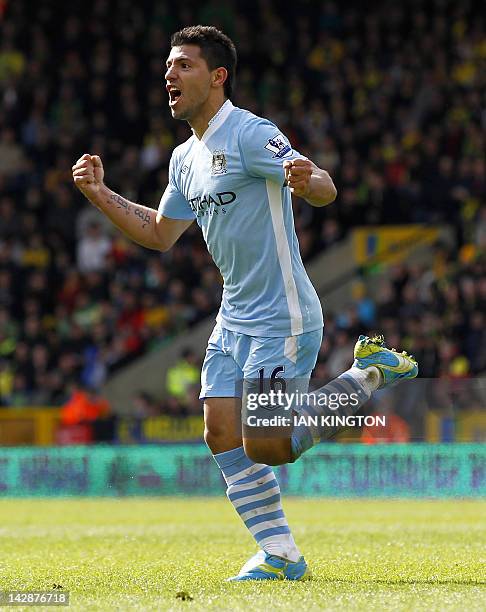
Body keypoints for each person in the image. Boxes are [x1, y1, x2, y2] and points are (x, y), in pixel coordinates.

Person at [72, 25, 418, 581]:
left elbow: (324, 185)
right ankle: (280, 553)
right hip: (233, 316)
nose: (169, 75)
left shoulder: (252, 134)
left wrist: (309, 182)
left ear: (217, 76)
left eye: (182, 65)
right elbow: (160, 233)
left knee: (271, 445)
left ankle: (365, 378)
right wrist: (99, 194)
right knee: (219, 432)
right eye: (168, 66)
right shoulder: (184, 158)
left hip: (283, 313)